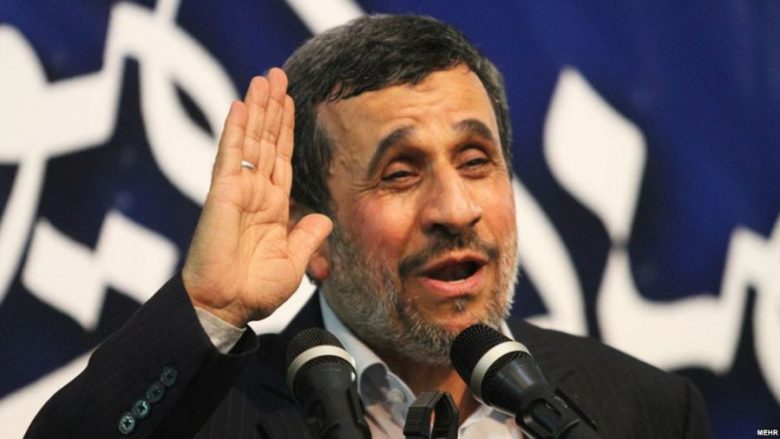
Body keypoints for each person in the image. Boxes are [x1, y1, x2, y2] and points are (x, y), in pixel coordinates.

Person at [26, 14, 711, 438]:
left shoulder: (646, 409)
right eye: (400, 174)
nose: (455, 210)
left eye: (476, 161)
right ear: (311, 229)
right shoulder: (210, 416)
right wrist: (210, 305)